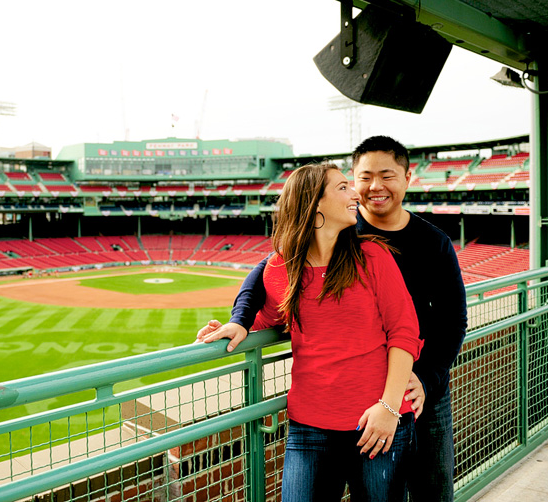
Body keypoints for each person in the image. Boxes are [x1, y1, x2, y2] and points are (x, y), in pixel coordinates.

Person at [197, 136, 468, 502]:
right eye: (354, 182)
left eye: (386, 175)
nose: (366, 190)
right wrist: (240, 322)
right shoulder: (298, 258)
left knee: (434, 490)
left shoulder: (398, 249)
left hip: (401, 401)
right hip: (313, 422)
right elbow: (270, 293)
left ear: (406, 177)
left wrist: (408, 391)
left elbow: (432, 325)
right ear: (317, 203)